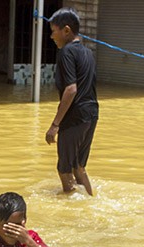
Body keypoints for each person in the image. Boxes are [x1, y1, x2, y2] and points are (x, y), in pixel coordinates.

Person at [45, 7, 99, 196]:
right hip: (91, 114)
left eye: (53, 31)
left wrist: (55, 125)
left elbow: (71, 89)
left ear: (66, 30)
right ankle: (91, 202)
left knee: (64, 169)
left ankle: (74, 213)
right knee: (79, 167)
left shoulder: (66, 52)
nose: (52, 36)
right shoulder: (88, 53)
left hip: (75, 117)